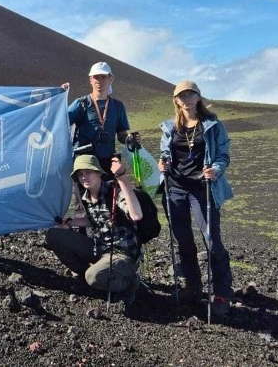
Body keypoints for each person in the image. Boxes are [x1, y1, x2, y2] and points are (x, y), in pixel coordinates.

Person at [158, 80, 233, 316]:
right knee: (185, 242)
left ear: (198, 97)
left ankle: (221, 292)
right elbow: (165, 153)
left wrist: (217, 170)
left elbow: (223, 154)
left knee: (212, 241)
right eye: (182, 95)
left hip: (203, 188)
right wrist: (164, 164)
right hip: (176, 188)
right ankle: (193, 287)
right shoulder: (170, 127)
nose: (187, 99)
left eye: (191, 94)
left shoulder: (212, 125)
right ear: (176, 101)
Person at [45, 154, 144, 305]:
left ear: (98, 172)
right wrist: (70, 223)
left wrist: (122, 178)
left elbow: (136, 215)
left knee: (92, 277)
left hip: (122, 253)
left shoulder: (114, 191)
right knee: (54, 236)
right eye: (80, 174)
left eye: (88, 172)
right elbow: (94, 220)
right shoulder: (87, 197)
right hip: (101, 248)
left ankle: (129, 281)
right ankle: (95, 274)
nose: (84, 177)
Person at [66, 62, 137, 171]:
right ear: (90, 79)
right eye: (96, 77)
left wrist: (129, 139)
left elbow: (121, 135)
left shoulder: (118, 106)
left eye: (103, 77)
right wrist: (60, 97)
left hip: (108, 162)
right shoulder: (81, 103)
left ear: (110, 78)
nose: (99, 81)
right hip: (84, 162)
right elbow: (60, 122)